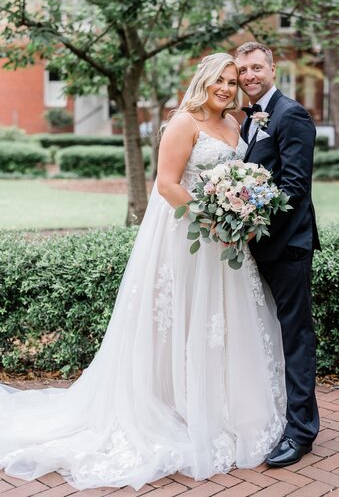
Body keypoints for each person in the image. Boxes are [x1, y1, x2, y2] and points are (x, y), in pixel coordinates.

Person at [0, 53, 286, 490]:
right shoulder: (183, 123)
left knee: (222, 326)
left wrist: (241, 216)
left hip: (226, 250)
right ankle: (174, 404)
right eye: (221, 81)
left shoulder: (234, 125)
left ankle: (222, 408)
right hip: (189, 242)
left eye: (232, 81)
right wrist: (214, 221)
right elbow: (168, 184)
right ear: (204, 81)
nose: (228, 88)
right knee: (179, 323)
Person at [235, 42, 321, 467]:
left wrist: (253, 228)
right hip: (254, 247)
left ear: (272, 68)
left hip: (285, 247)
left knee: (295, 337)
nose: (249, 75)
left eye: (256, 67)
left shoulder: (291, 115)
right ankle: (274, 414)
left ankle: (302, 431)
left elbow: (294, 188)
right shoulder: (249, 118)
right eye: (242, 70)